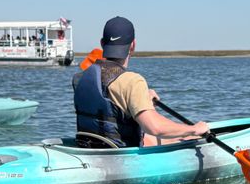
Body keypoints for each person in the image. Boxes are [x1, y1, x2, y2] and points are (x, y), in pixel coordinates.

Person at [72, 16, 208, 148]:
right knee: (189, 137)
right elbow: (155, 128)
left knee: (152, 137)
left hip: (89, 147)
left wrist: (142, 98)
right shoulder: (133, 81)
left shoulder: (79, 79)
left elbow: (108, 97)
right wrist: (194, 129)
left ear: (102, 43)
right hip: (119, 153)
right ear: (133, 45)